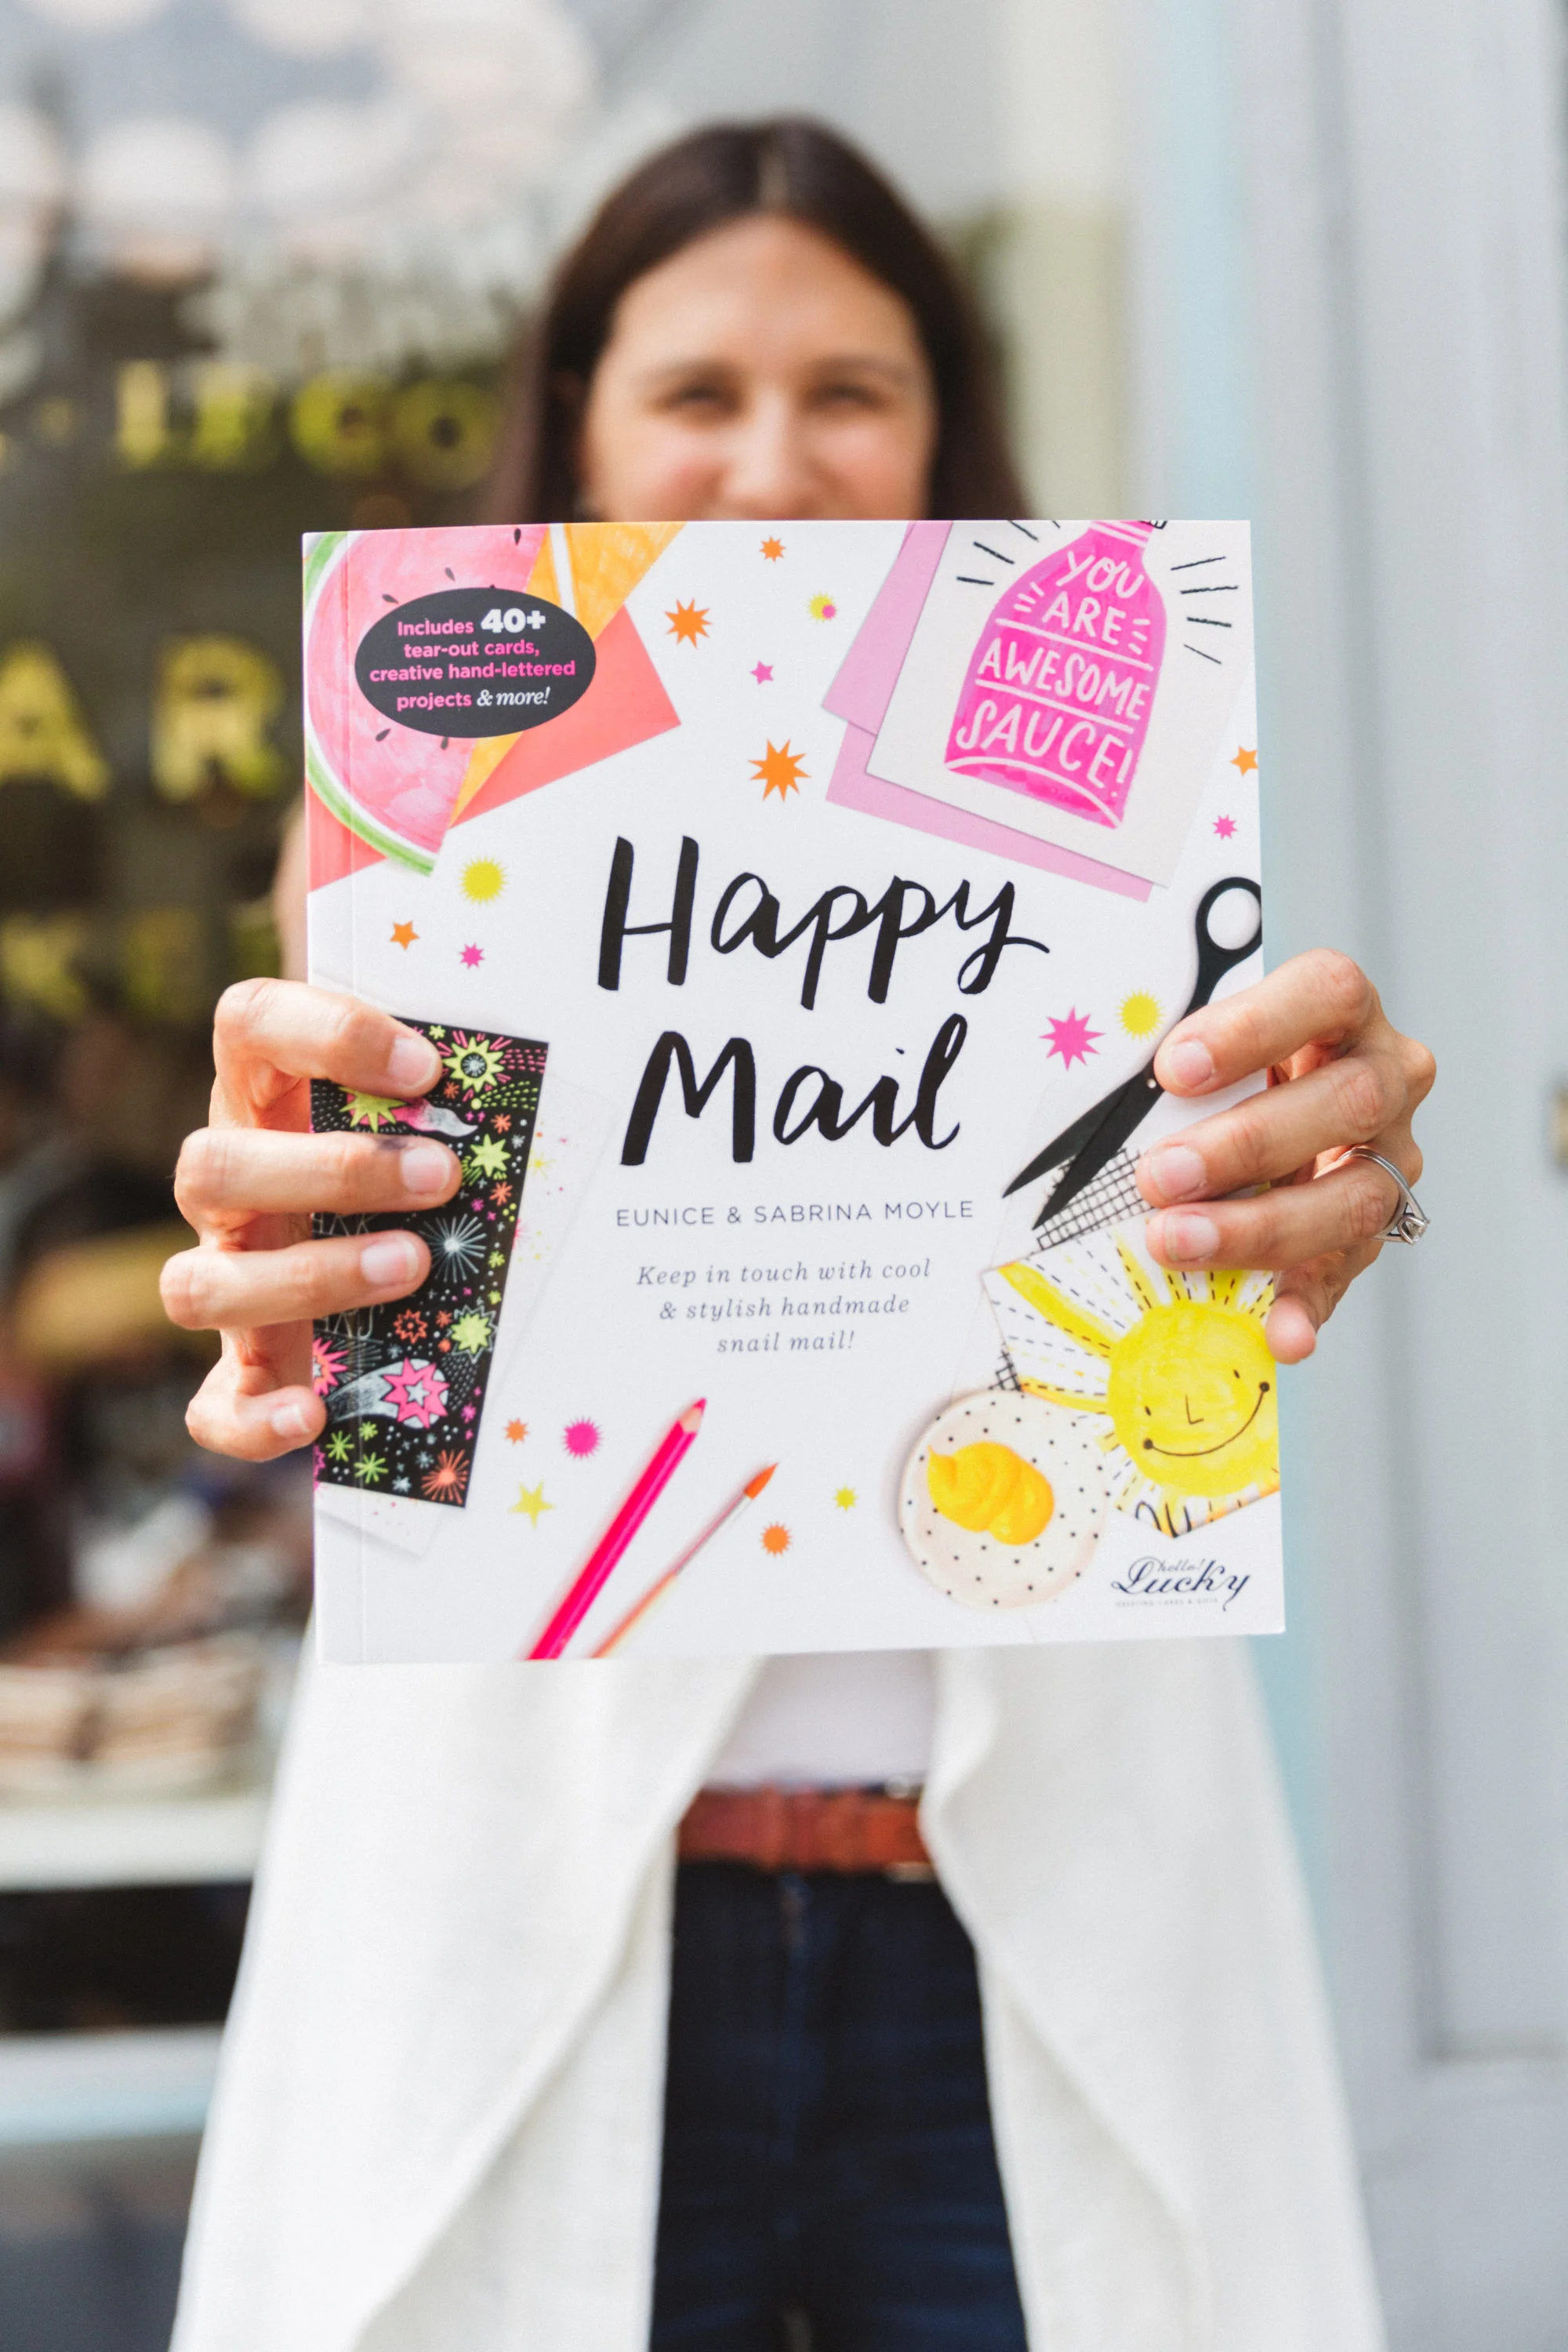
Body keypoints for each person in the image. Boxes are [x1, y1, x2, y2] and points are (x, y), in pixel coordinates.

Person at [163, 121, 1432, 2352]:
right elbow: (369, 1283)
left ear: (944, 430)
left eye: (850, 390)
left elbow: (1228, 1223)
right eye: (699, 394)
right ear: (579, 427)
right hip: (553, 1927)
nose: (771, 467)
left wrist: (1331, 1200)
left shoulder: (1119, 817)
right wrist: (292, 1300)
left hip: (1013, 1929)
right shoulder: (418, 822)